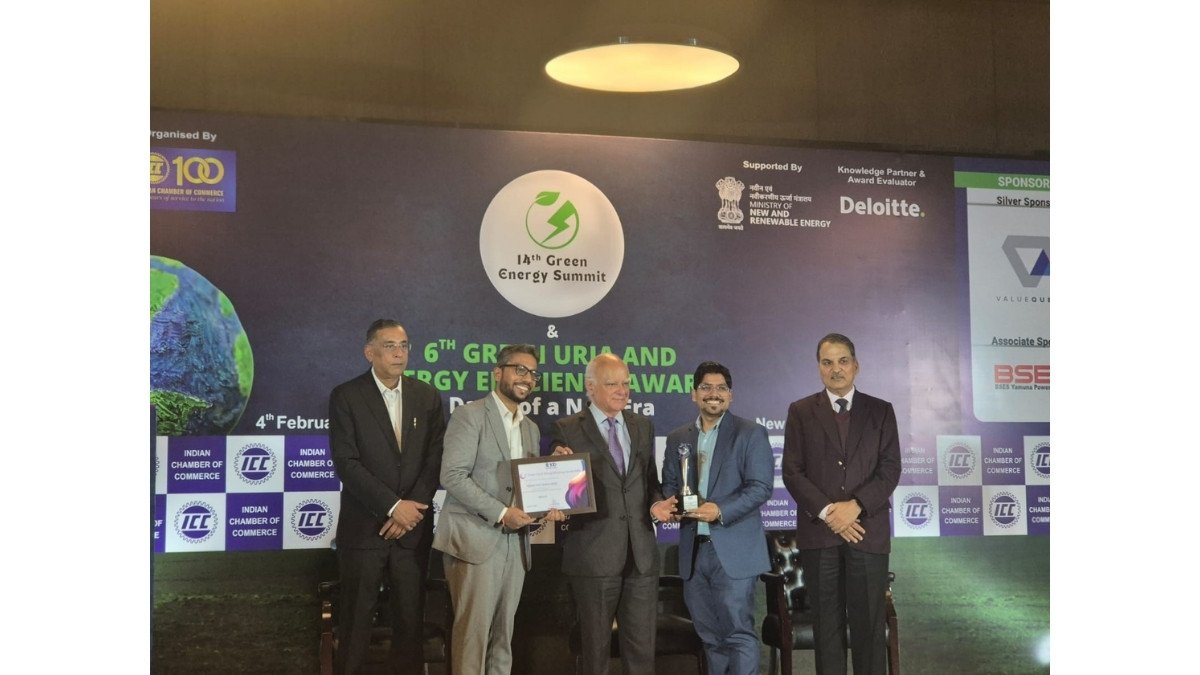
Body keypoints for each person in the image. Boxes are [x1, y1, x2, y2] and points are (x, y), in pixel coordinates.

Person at [432, 343, 566, 675]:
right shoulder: (470, 415)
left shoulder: (530, 428)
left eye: (533, 373)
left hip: (515, 545)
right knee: (473, 639)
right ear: (497, 372)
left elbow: (526, 488)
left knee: (502, 639)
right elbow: (452, 476)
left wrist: (553, 488)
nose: (527, 378)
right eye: (519, 369)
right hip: (475, 540)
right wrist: (502, 513)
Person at [328, 319, 448, 674]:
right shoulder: (347, 396)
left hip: (412, 532)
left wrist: (410, 511)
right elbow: (347, 463)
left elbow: (435, 458)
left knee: (410, 628)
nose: (399, 353)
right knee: (355, 627)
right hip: (365, 531)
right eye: (390, 346)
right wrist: (393, 507)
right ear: (370, 352)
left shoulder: (426, 396)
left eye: (404, 345)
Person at [781, 333, 901, 675]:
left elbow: (890, 469)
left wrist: (855, 506)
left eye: (843, 361)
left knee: (869, 631)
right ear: (819, 368)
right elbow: (792, 471)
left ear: (856, 366)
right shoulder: (801, 411)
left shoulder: (881, 411)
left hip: (867, 533)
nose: (836, 369)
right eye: (828, 362)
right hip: (821, 535)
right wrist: (830, 512)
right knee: (827, 631)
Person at [656, 361, 773, 675]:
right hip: (694, 552)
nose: (714, 394)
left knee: (738, 634)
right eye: (706, 387)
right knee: (709, 638)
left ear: (730, 395)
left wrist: (719, 510)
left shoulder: (750, 433)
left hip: (734, 553)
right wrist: (670, 503)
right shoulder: (678, 437)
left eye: (721, 388)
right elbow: (670, 485)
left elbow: (760, 488)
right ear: (694, 394)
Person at [550, 352, 662, 675]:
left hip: (641, 556)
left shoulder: (642, 426)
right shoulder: (567, 429)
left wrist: (656, 504)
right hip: (593, 556)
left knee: (642, 655)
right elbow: (564, 489)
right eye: (612, 384)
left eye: (626, 383)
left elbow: (650, 482)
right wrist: (559, 472)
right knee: (595, 655)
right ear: (590, 387)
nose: (622, 391)